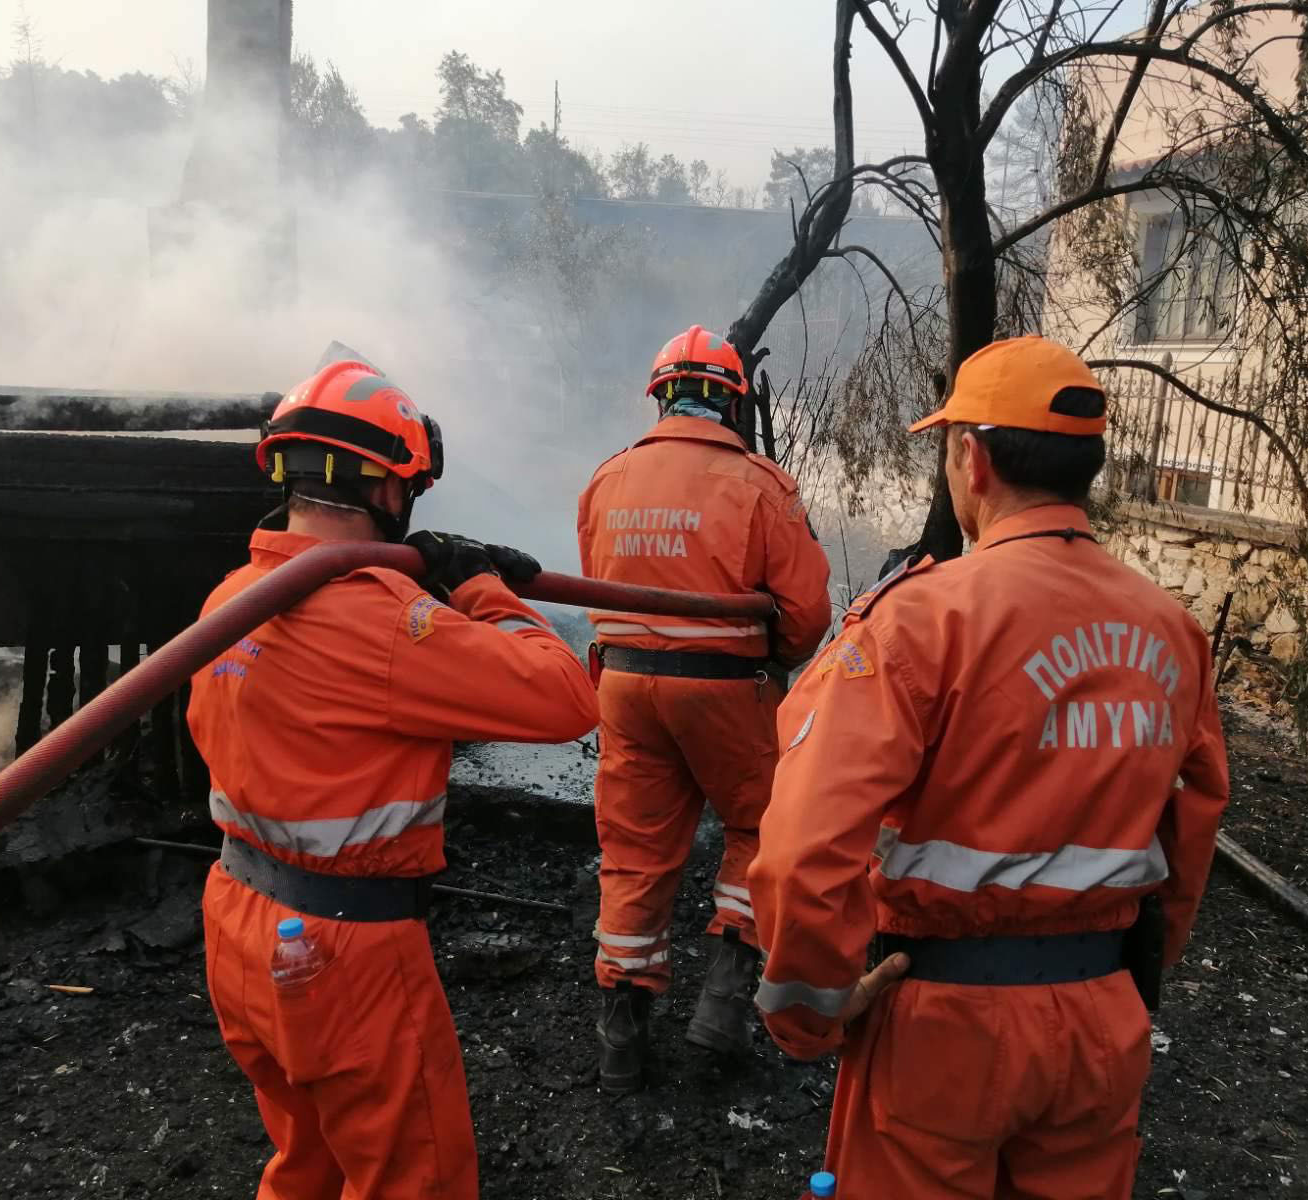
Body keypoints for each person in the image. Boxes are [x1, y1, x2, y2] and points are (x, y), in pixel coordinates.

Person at [749, 335, 1231, 1198]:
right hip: (1102, 1024)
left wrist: (808, 1014)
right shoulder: (1172, 630)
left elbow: (804, 847)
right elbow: (1193, 825)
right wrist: (1135, 973)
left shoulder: (919, 624)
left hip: (943, 1027)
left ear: (970, 460)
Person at [186, 355, 599, 1200]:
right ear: (388, 493)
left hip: (237, 921)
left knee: (305, 1165)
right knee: (415, 1179)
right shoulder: (382, 620)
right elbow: (566, 698)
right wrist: (482, 588)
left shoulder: (230, 597)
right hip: (349, 957)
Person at [577, 325, 832, 1091]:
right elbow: (808, 612)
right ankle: (721, 1008)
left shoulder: (606, 478)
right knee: (760, 827)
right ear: (731, 402)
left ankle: (620, 1043)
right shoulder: (762, 485)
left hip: (624, 687)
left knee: (635, 851)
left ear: (660, 398)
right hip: (727, 687)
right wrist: (776, 663)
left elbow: (597, 585)